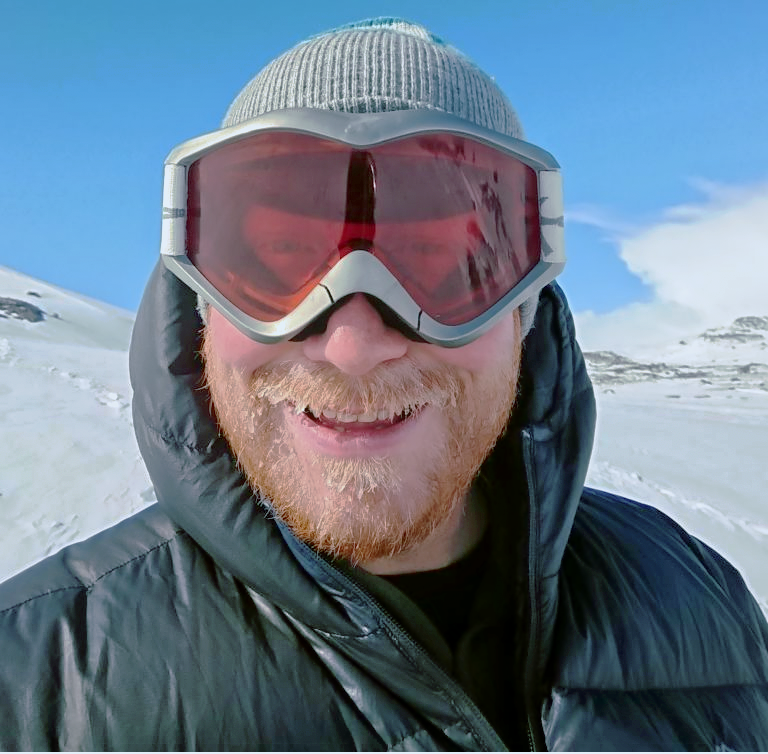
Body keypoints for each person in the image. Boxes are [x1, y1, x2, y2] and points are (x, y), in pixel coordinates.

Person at [1, 18, 767, 751]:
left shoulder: (699, 599)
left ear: (525, 312)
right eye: (275, 263)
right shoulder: (33, 684)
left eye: (443, 264)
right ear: (201, 308)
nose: (354, 344)